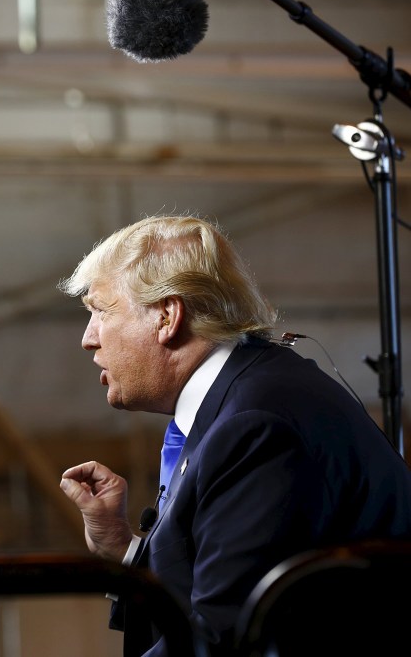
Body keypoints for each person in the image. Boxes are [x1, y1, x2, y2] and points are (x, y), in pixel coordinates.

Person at [57, 214, 411, 657]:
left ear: (167, 316)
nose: (88, 339)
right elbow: (220, 592)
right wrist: (125, 551)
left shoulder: (256, 426)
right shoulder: (244, 398)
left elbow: (225, 641)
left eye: (100, 312)